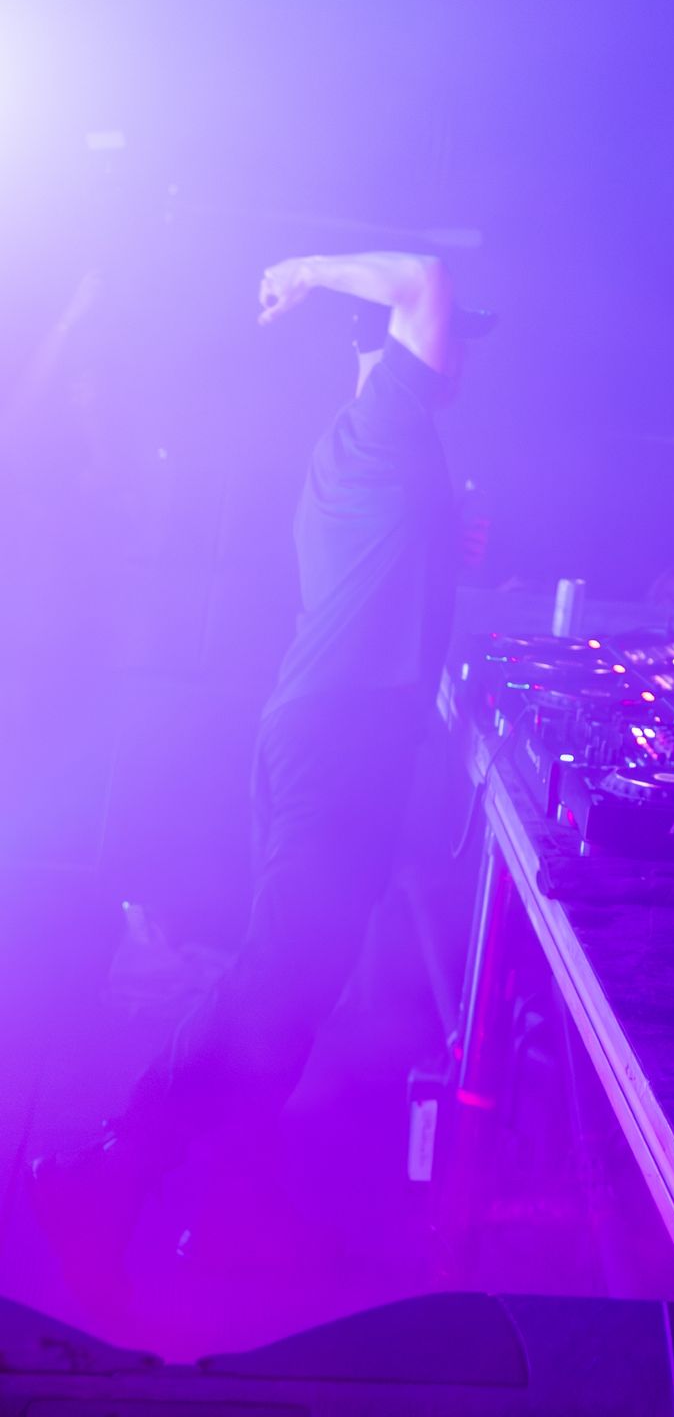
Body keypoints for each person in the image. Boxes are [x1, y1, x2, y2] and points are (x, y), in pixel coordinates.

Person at [34, 250, 481, 1267]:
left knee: (294, 991)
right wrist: (308, 270)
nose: (461, 357)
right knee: (273, 985)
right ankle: (108, 1172)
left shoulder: (373, 447)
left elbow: (378, 569)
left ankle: (237, 1209)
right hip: (337, 746)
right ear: (392, 344)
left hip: (333, 740)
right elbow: (425, 279)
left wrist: (444, 543)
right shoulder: (385, 418)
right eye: (455, 342)